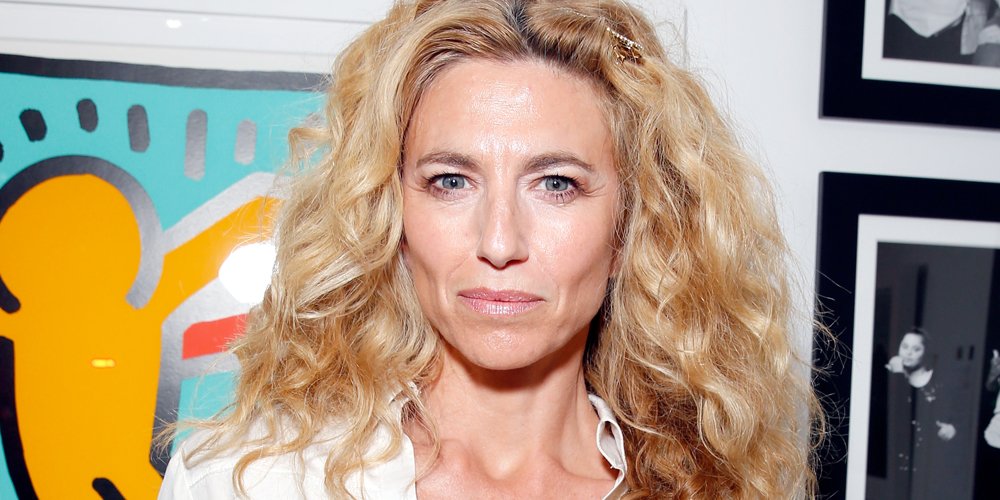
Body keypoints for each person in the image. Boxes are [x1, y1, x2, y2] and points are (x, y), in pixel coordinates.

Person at [158, 0, 820, 498]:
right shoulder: (253, 483)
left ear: (631, 228)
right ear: (392, 215)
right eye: (451, 181)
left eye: (556, 184)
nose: (499, 242)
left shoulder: (715, 490)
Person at [884, 328, 956, 476]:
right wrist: (897, 374)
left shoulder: (939, 380)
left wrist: (951, 428)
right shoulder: (891, 375)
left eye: (916, 349)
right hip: (895, 453)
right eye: (904, 347)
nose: (908, 353)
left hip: (928, 456)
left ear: (926, 351)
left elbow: (951, 415)